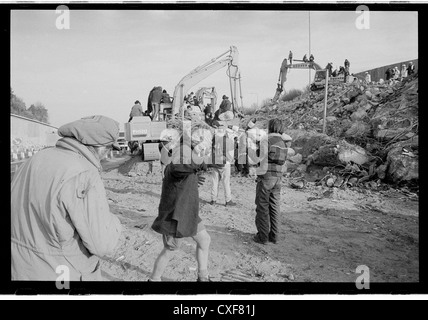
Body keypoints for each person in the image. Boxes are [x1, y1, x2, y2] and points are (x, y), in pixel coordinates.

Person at [11, 115, 123, 280]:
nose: (106, 155)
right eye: (108, 149)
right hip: (60, 272)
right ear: (99, 146)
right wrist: (114, 222)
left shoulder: (34, 160)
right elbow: (102, 244)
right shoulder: (84, 173)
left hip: (20, 267)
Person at [149, 136, 212, 282]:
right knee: (171, 249)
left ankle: (203, 277)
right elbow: (179, 167)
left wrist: (193, 179)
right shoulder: (177, 162)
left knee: (204, 240)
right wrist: (201, 162)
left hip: (188, 212)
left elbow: (184, 171)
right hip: (175, 216)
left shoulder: (183, 161)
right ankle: (154, 279)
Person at [253, 119, 287, 245]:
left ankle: (262, 237)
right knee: (275, 207)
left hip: (266, 176)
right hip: (278, 177)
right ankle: (275, 236)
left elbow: (259, 158)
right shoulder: (283, 142)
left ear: (270, 127)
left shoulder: (266, 140)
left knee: (262, 207)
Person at [209, 128, 236, 206]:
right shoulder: (227, 141)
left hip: (215, 163)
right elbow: (230, 155)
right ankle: (228, 200)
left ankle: (213, 200)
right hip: (225, 163)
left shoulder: (214, 140)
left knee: (214, 182)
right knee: (226, 182)